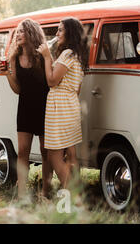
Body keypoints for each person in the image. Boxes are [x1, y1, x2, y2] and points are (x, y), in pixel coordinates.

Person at [0, 18, 53, 200]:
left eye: (22, 31)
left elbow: (51, 81)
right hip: (25, 107)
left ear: (31, 33)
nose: (18, 35)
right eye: (17, 32)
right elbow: (17, 89)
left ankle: (46, 190)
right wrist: (6, 72)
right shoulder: (14, 56)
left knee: (46, 151)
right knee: (23, 151)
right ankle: (22, 192)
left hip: (45, 107)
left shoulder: (43, 54)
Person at [37, 17, 88, 189]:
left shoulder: (67, 54)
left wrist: (46, 57)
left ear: (70, 33)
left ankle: (72, 194)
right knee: (71, 154)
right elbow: (78, 88)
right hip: (71, 104)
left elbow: (51, 81)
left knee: (53, 155)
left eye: (60, 30)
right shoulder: (79, 55)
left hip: (59, 107)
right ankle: (73, 196)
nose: (57, 33)